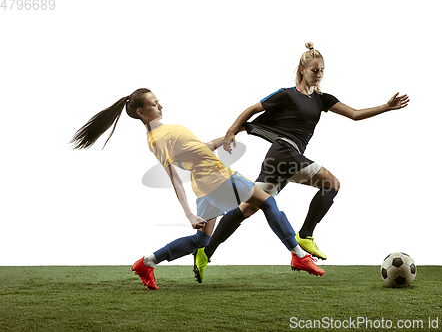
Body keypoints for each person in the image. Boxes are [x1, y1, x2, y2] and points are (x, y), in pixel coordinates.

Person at [70, 88, 324, 290]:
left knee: (201, 239)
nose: (160, 105)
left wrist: (224, 139)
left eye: (158, 100)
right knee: (267, 201)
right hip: (218, 179)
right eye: (154, 103)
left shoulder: (164, 132)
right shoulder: (158, 139)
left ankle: (146, 263)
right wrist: (188, 214)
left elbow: (196, 150)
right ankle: (298, 254)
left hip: (205, 185)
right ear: (142, 112)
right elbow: (173, 177)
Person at [195, 42, 410, 274]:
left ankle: (205, 252)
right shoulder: (286, 95)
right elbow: (251, 110)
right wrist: (230, 132)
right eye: (314, 70)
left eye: (322, 70)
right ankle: (305, 235)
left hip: (282, 159)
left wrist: (386, 107)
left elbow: (355, 115)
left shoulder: (322, 99)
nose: (318, 75)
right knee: (332, 183)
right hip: (283, 153)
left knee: (247, 209)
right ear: (302, 70)